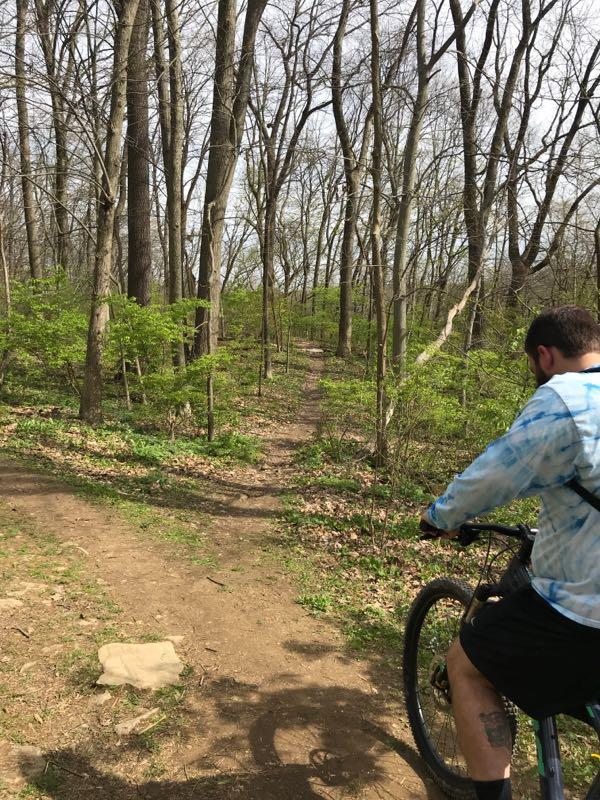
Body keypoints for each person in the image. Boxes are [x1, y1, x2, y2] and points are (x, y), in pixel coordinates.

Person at [420, 306, 600, 800]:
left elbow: (497, 475)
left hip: (585, 609)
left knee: (467, 666)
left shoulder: (567, 398)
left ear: (544, 356)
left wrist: (439, 518)